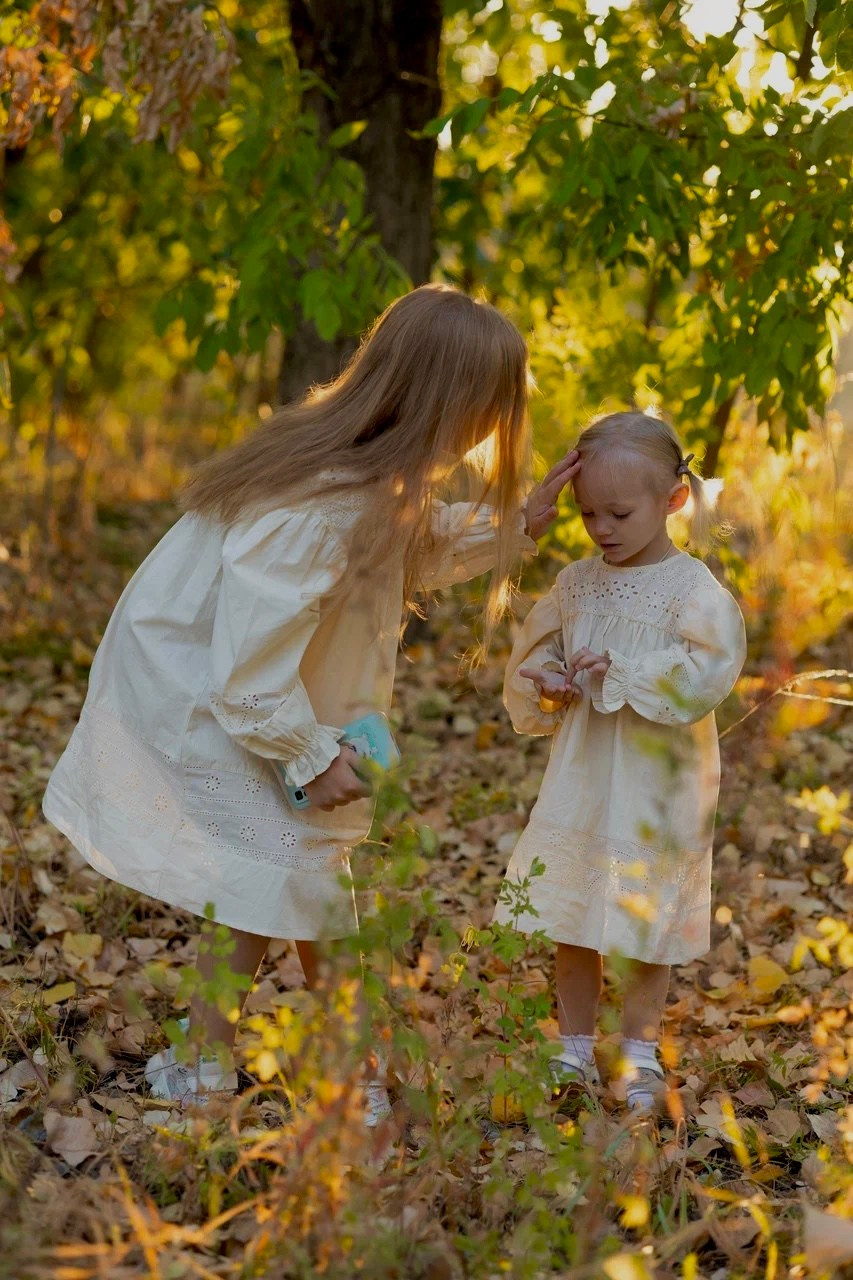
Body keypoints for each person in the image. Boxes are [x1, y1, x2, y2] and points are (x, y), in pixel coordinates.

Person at [43, 283, 578, 1116]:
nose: (488, 428)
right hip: (227, 697)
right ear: (452, 400)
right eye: (488, 406)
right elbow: (247, 666)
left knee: (270, 881)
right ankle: (344, 1079)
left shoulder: (365, 479)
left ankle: (234, 1066)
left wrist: (521, 524)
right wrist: (307, 752)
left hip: (266, 695)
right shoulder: (321, 500)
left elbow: (410, 552)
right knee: (301, 881)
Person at [495, 411, 746, 1113]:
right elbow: (536, 653)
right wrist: (546, 677)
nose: (601, 527)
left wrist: (624, 671)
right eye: (586, 514)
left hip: (655, 776)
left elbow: (707, 674)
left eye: (619, 511)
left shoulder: (691, 590)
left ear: (671, 501)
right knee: (574, 909)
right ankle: (571, 1043)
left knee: (643, 911)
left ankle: (637, 1049)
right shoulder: (576, 583)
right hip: (584, 772)